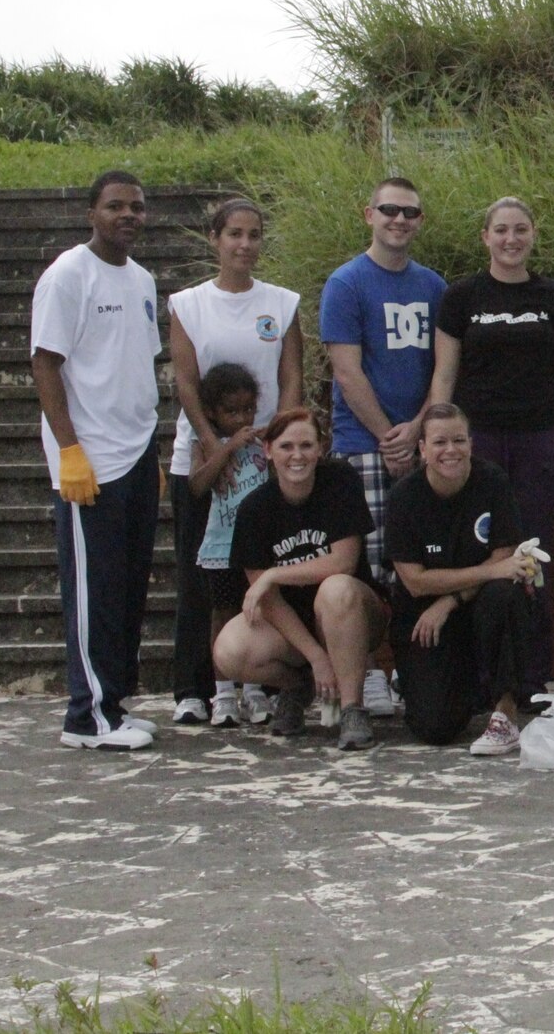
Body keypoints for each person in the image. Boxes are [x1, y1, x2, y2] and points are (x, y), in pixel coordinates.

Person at [429, 196, 554, 690]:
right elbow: (444, 374)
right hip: (476, 445)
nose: (510, 239)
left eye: (520, 230)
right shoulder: (461, 297)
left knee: (531, 555)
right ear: (485, 237)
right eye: (501, 230)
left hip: (537, 441)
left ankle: (531, 679)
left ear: (533, 235)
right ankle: (480, 680)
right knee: (480, 554)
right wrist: (434, 440)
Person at [30, 170, 163, 751]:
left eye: (136, 207)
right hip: (91, 458)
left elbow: (136, 367)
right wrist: (69, 450)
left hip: (134, 451)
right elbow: (45, 362)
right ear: (92, 213)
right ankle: (85, 717)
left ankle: (114, 702)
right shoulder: (67, 275)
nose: (127, 215)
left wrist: (151, 448)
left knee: (127, 588)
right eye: (115, 206)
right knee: (92, 588)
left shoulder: (142, 280)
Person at [165, 197, 302, 726]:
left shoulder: (282, 303)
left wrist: (278, 442)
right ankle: (193, 689)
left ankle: (256, 683)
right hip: (203, 459)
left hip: (264, 461)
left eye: (254, 235)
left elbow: (290, 378)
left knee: (255, 576)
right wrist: (212, 446)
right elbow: (184, 379)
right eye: (234, 235)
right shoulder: (188, 304)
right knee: (200, 576)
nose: (245, 245)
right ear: (215, 239)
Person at [320, 176, 447, 717]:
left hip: (421, 445)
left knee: (416, 561)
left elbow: (444, 367)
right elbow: (346, 371)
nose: (400, 220)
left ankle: (412, 675)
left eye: (410, 212)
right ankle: (368, 673)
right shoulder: (346, 283)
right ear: (368, 213)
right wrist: (386, 435)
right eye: (389, 210)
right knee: (365, 567)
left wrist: (418, 428)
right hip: (363, 445)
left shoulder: (434, 286)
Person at [215, 409, 389, 750]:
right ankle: (297, 685)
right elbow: (268, 600)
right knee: (229, 650)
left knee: (335, 588)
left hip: (353, 614)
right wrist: (316, 659)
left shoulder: (339, 480)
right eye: (286, 446)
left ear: (321, 448)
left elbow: (343, 562)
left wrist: (275, 573)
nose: (297, 456)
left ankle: (353, 708)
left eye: (306, 445)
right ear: (268, 451)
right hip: (296, 626)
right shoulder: (254, 509)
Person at [385, 404, 547, 756]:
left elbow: (507, 558)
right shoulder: (404, 497)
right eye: (439, 442)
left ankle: (505, 713)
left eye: (459, 440)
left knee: (508, 592)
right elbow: (415, 581)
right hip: (424, 620)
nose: (450, 450)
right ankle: (448, 687)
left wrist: (450, 600)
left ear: (471, 444)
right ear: (422, 449)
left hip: (474, 606)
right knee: (435, 728)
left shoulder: (492, 481)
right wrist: (486, 573)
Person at [186, 362, 270, 729]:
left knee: (258, 613)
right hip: (221, 548)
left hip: (257, 549)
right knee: (222, 613)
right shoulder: (204, 445)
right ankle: (222, 693)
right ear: (212, 413)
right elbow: (196, 486)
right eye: (231, 411)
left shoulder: (261, 445)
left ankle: (254, 688)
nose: (241, 418)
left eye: (248, 409)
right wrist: (226, 449)